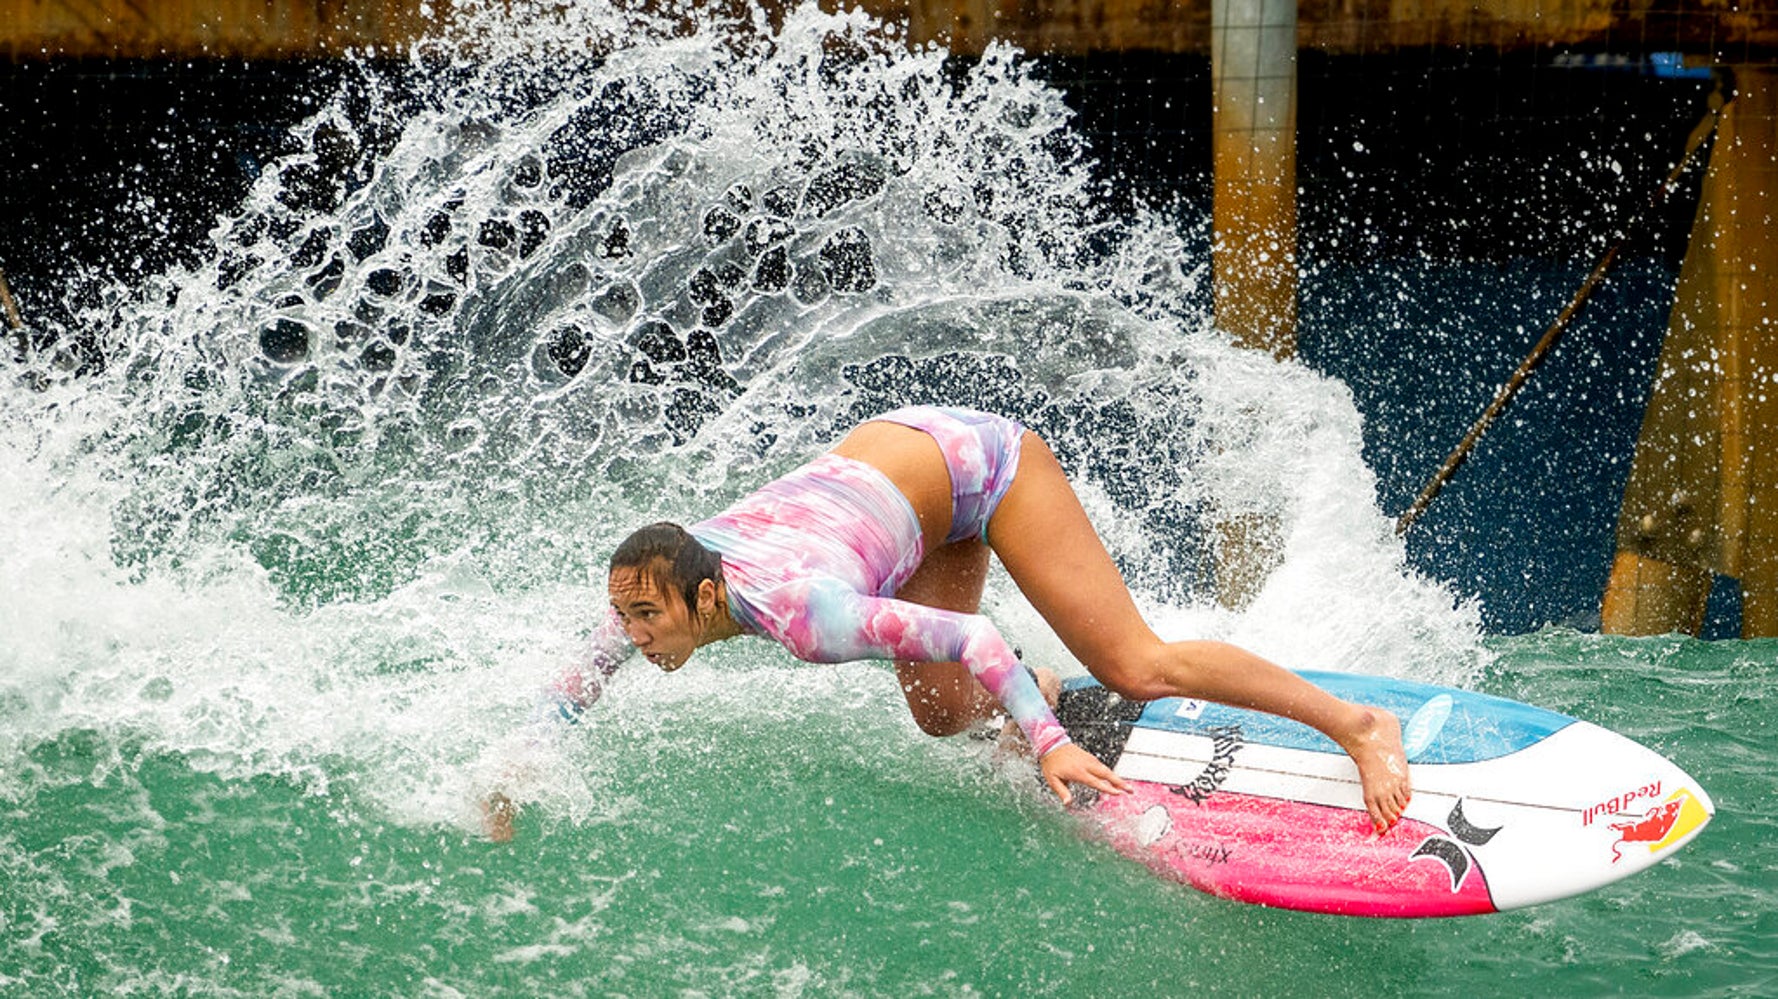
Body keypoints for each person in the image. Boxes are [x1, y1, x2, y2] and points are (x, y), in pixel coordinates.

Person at [486, 405, 1410, 840]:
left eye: (646, 617)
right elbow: (583, 674)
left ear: (705, 596)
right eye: (627, 616)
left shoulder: (807, 616)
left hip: (979, 467)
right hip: (902, 495)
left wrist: (1047, 743)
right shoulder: (671, 575)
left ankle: (1356, 726)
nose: (634, 635)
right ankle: (1035, 693)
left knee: (1135, 664)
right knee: (939, 713)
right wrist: (511, 770)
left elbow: (974, 639)